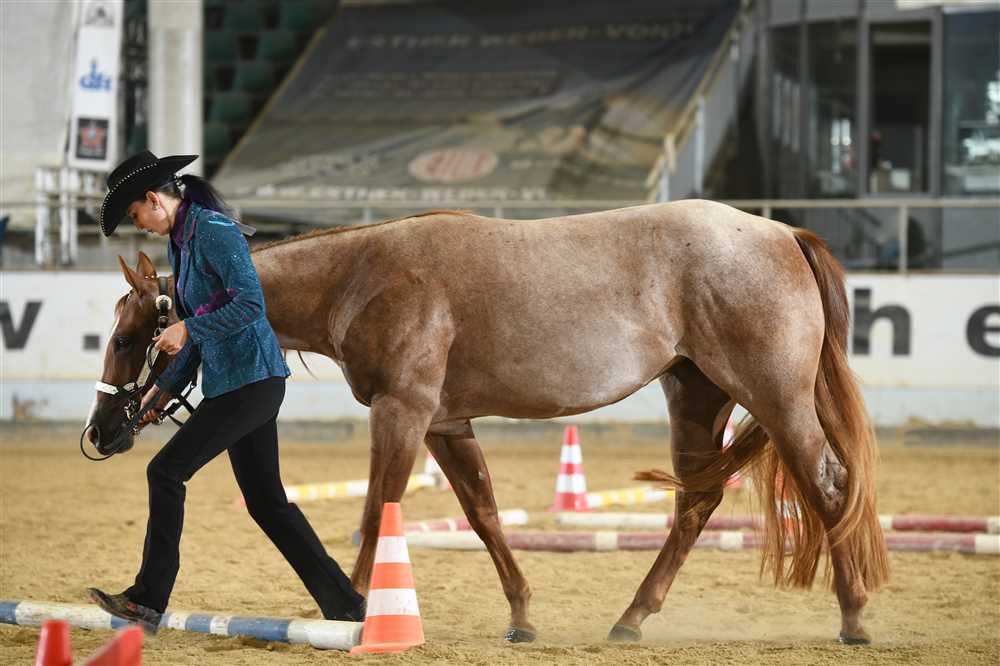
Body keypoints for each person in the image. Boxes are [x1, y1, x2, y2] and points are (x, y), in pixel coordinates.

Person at [87, 151, 365, 632]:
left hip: (252, 381)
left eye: (135, 215)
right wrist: (159, 394)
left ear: (154, 199)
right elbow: (196, 339)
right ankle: (347, 606)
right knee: (268, 505)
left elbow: (250, 305)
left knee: (165, 472)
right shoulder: (182, 242)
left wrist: (188, 328)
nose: (140, 226)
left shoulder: (214, 231)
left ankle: (148, 600)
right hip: (234, 384)